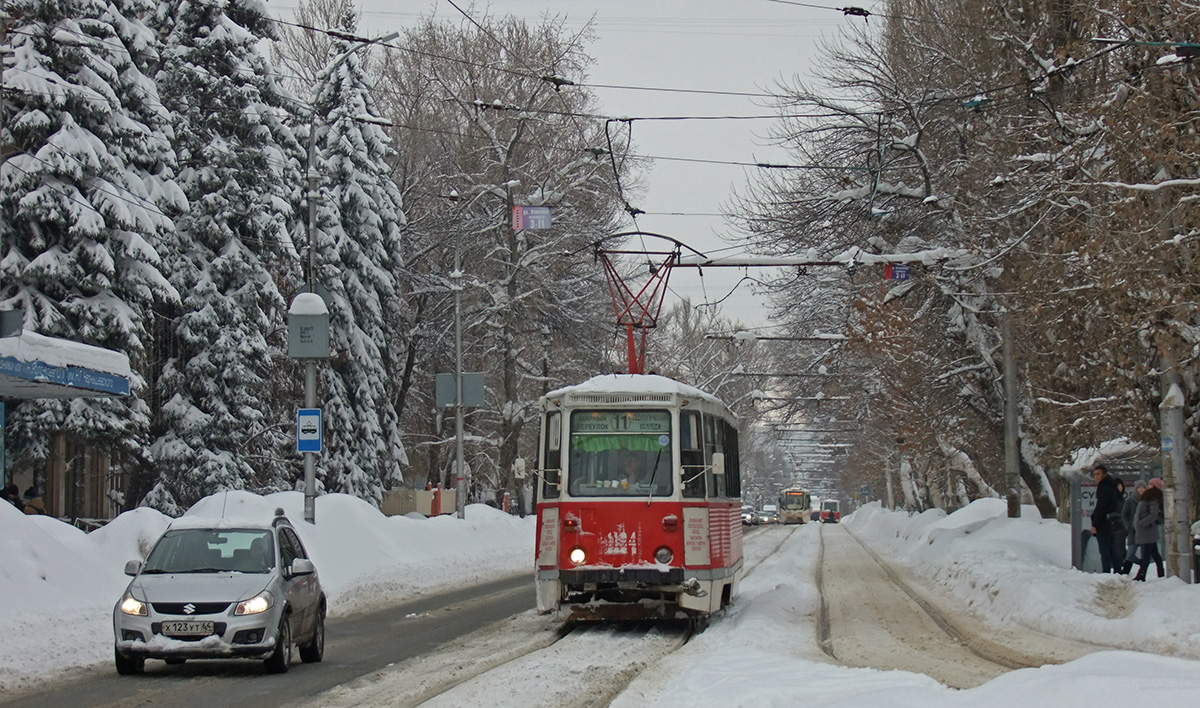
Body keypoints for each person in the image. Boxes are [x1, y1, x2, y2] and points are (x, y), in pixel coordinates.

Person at [1090, 464, 1121, 573]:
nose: (1096, 477)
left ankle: (1106, 572)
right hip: (1111, 520)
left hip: (1103, 521)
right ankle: (1117, 571)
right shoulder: (1112, 485)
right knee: (1111, 549)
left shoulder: (1104, 487)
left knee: (1104, 550)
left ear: (1104, 474)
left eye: (1098, 474)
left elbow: (1101, 506)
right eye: (1095, 475)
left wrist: (1095, 523)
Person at [1132, 478, 1165, 581]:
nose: (1148, 486)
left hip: (1148, 530)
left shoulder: (1152, 498)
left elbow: (1153, 515)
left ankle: (1141, 575)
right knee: (1154, 553)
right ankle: (1161, 573)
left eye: (1150, 485)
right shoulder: (1148, 497)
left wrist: (1142, 523)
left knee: (1146, 554)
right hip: (1145, 530)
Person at [1120, 481, 1146, 574]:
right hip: (1133, 532)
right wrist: (1128, 526)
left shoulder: (1148, 500)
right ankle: (1125, 573)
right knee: (1130, 553)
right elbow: (1124, 514)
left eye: (1143, 487)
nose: (1141, 490)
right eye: (1139, 488)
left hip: (1145, 532)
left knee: (1146, 554)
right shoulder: (1130, 501)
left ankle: (1143, 572)